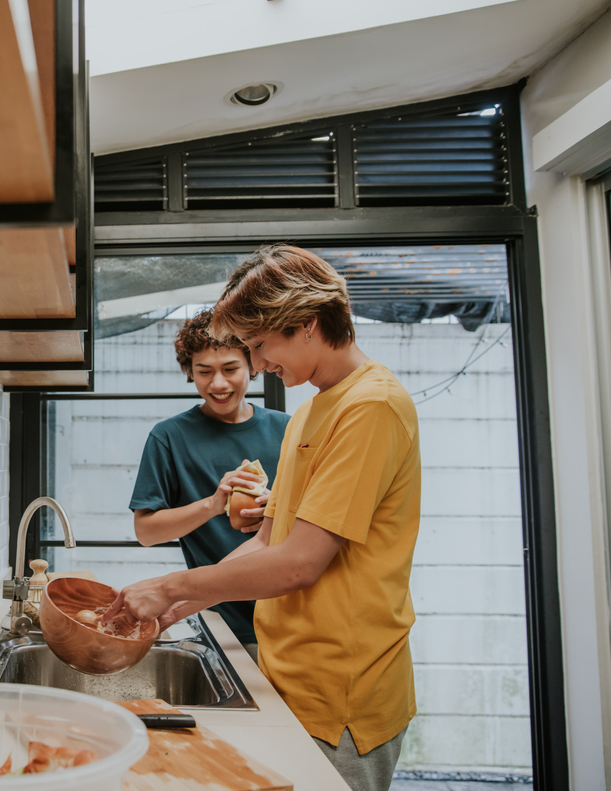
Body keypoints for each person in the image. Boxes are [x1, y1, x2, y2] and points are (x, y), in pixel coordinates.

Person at [104, 245, 421, 791]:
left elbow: (299, 564)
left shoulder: (371, 406)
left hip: (340, 690)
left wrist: (169, 583)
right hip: (287, 675)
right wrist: (179, 606)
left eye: (257, 346)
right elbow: (271, 540)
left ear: (304, 324)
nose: (257, 364)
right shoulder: (313, 409)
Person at [128, 308, 288, 661]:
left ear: (252, 364)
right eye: (204, 371)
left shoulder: (289, 431)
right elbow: (146, 532)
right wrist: (214, 504)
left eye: (230, 369)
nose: (218, 384)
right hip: (219, 625)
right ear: (190, 373)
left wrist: (276, 511)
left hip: (289, 623)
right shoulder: (169, 437)